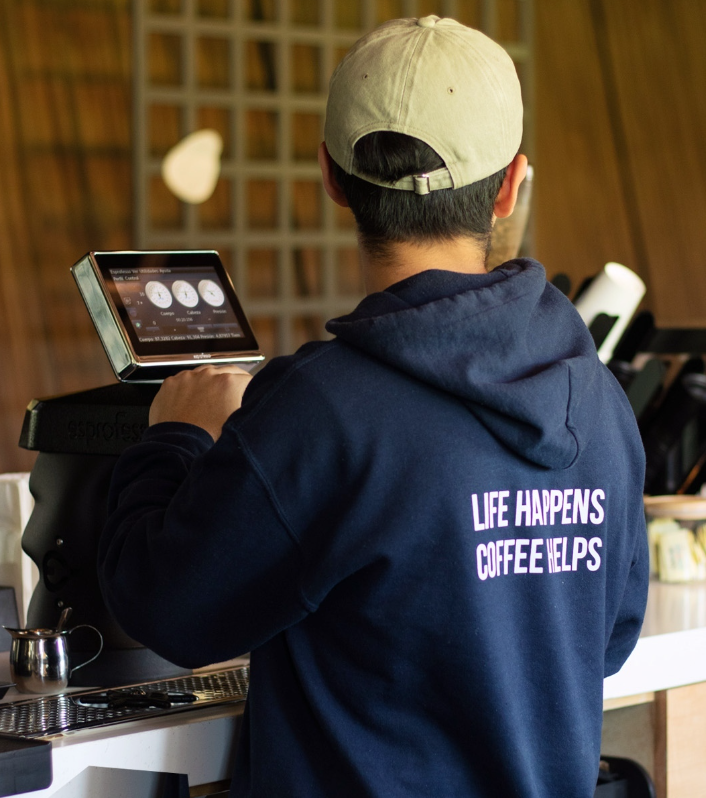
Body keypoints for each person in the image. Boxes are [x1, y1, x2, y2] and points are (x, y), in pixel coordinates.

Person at [98, 16, 648, 798]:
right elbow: (607, 640)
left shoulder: (321, 411)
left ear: (331, 176)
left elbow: (168, 609)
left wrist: (177, 436)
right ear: (510, 187)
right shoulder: (600, 402)